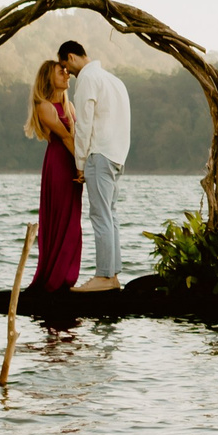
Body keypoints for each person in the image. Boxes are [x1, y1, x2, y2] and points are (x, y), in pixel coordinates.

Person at [63, 39, 131, 292]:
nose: (67, 73)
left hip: (99, 154)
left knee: (100, 216)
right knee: (110, 215)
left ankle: (104, 276)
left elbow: (84, 124)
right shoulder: (114, 81)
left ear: (71, 57)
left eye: (66, 67)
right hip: (116, 154)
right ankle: (111, 276)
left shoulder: (88, 80)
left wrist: (80, 162)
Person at [24, 50, 85, 292]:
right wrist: (83, 167)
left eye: (66, 71)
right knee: (60, 220)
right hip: (60, 165)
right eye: (61, 72)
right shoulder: (44, 106)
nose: (67, 74)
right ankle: (54, 279)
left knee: (73, 222)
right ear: (49, 78)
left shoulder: (69, 105)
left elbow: (79, 138)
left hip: (73, 163)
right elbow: (68, 138)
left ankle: (68, 277)